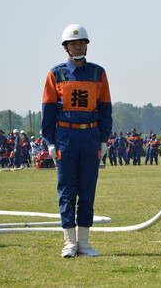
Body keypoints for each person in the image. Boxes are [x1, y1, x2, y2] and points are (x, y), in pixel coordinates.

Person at [41, 24, 112, 257]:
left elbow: (105, 109)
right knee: (67, 190)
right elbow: (48, 110)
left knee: (87, 189)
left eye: (81, 42)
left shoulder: (98, 73)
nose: (77, 46)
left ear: (87, 45)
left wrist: (104, 139)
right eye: (72, 43)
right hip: (65, 137)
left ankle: (84, 242)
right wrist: (49, 141)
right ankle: (69, 242)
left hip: (90, 136)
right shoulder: (56, 74)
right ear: (66, 48)